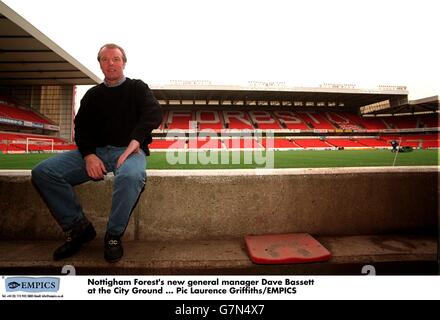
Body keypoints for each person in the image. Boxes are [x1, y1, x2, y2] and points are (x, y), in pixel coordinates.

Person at [31, 43, 162, 263]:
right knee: (43, 172)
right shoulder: (92, 95)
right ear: (100, 63)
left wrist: (133, 143)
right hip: (97, 152)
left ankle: (113, 235)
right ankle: (78, 228)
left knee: (131, 176)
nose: (111, 63)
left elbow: (154, 112)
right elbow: (80, 129)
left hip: (129, 151)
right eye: (105, 59)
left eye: (116, 59)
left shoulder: (137, 88)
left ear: (124, 62)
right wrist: (89, 155)